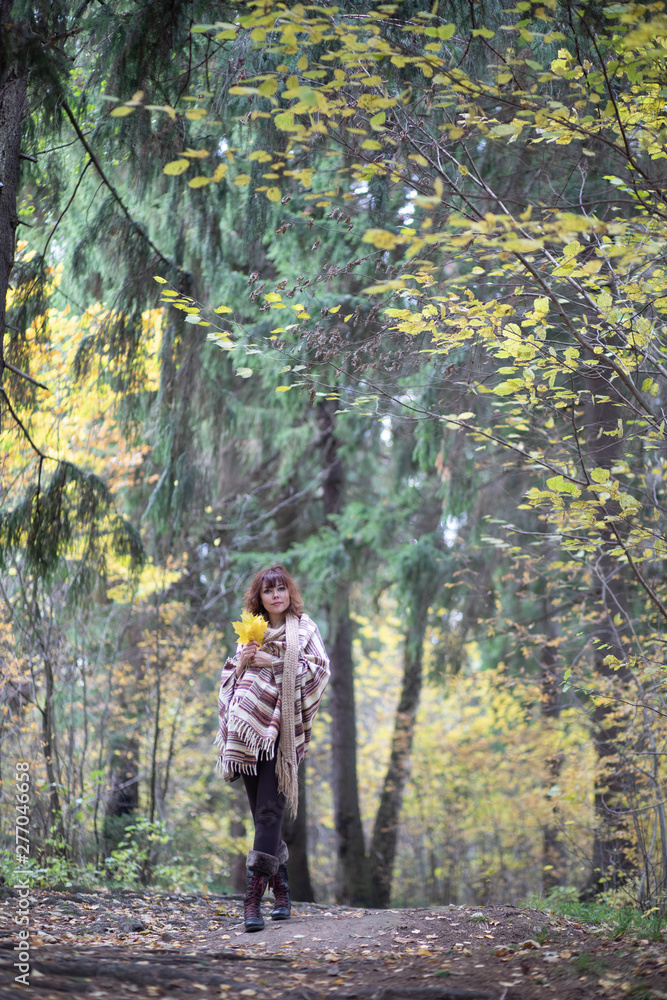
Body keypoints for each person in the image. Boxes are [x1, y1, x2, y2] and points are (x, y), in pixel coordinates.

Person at [216, 564, 330, 932]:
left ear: (289, 592)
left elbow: (320, 672)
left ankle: (252, 902)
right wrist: (245, 661)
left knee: (268, 815)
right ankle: (281, 890)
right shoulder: (252, 630)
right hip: (248, 735)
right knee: (263, 818)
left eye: (281, 589)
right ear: (260, 597)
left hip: (283, 737)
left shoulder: (305, 629)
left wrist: (276, 662)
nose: (276, 595)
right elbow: (232, 676)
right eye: (269, 591)